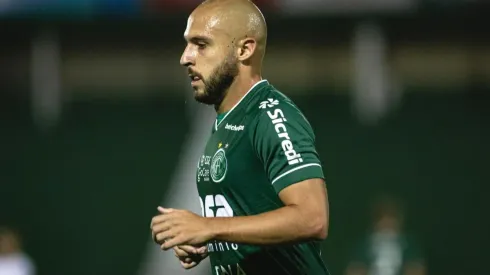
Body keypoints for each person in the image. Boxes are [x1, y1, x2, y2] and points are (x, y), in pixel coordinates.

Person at [150, 0, 330, 274]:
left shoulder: (270, 117)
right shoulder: (227, 121)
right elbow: (247, 219)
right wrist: (210, 242)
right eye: (188, 44)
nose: (185, 57)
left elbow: (312, 218)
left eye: (201, 44)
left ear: (244, 49)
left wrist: (209, 227)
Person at [345, 195, 426, 275]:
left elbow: (417, 269)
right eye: (384, 217)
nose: (388, 223)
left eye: (392, 217)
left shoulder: (408, 244)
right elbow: (354, 270)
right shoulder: (364, 245)